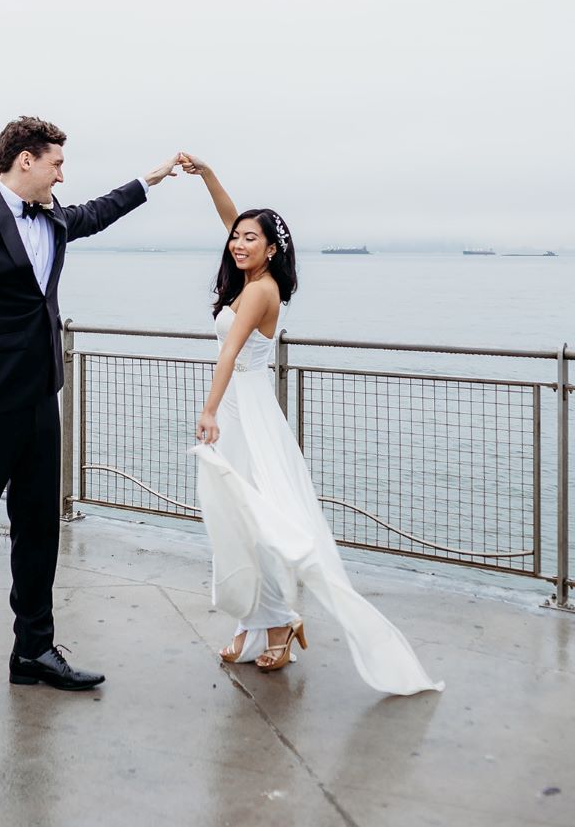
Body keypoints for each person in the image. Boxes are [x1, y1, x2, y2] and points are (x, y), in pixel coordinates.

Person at [0, 116, 178, 714]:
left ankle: (33, 651)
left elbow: (98, 212)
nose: (63, 172)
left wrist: (150, 180)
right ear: (24, 160)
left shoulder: (55, 216)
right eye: (56, 162)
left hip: (40, 400)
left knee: (38, 529)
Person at [181, 152, 443, 695]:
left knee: (262, 520)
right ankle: (257, 620)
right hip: (240, 407)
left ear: (271, 249)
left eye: (251, 239)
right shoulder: (250, 275)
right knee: (239, 518)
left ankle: (279, 620)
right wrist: (208, 177)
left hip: (244, 410)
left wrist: (208, 411)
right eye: (237, 238)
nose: (238, 243)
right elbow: (232, 220)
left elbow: (229, 354)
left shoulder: (259, 289)